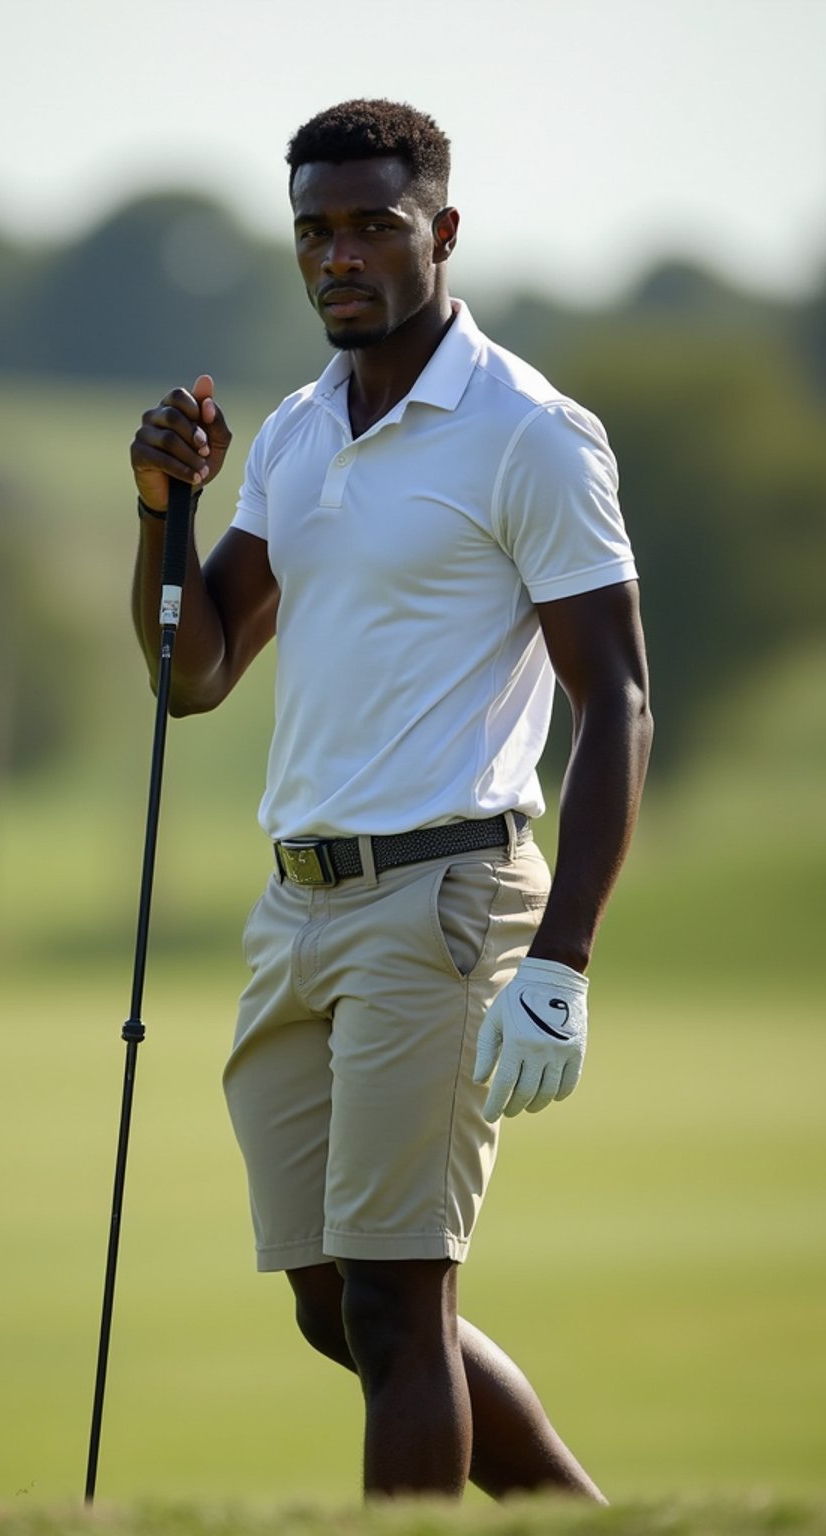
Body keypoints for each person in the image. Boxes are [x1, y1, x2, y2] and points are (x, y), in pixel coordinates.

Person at [129, 99, 652, 1503]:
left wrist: (564, 962)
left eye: (374, 225)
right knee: (327, 1298)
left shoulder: (526, 433)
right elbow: (195, 671)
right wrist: (163, 511)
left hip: (447, 897)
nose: (339, 255)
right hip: (299, 904)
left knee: (398, 1302)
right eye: (316, 230)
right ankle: (590, 1523)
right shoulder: (300, 435)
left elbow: (619, 701)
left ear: (444, 232)